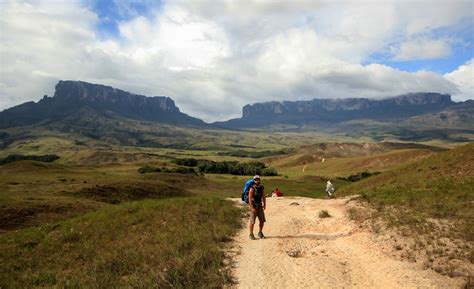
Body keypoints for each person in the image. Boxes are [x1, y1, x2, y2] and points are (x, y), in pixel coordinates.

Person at [248, 175, 266, 240]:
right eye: (255, 179)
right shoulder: (252, 188)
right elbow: (249, 199)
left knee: (262, 220)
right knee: (252, 221)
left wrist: (265, 204)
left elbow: (264, 196)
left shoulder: (261, 187)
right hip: (254, 206)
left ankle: (260, 232)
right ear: (254, 180)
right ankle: (251, 234)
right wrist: (252, 207)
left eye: (258, 179)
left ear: (259, 180)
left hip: (260, 206)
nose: (257, 180)